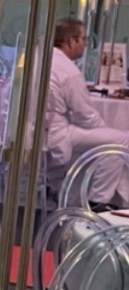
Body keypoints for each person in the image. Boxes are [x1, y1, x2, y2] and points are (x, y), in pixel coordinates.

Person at [45, 17, 129, 207]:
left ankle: (65, 189)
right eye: (83, 39)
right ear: (71, 41)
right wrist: (106, 132)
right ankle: (97, 202)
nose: (85, 44)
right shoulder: (68, 70)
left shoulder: (42, 58)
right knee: (120, 141)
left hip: (35, 131)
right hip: (54, 135)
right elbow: (86, 116)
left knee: (106, 140)